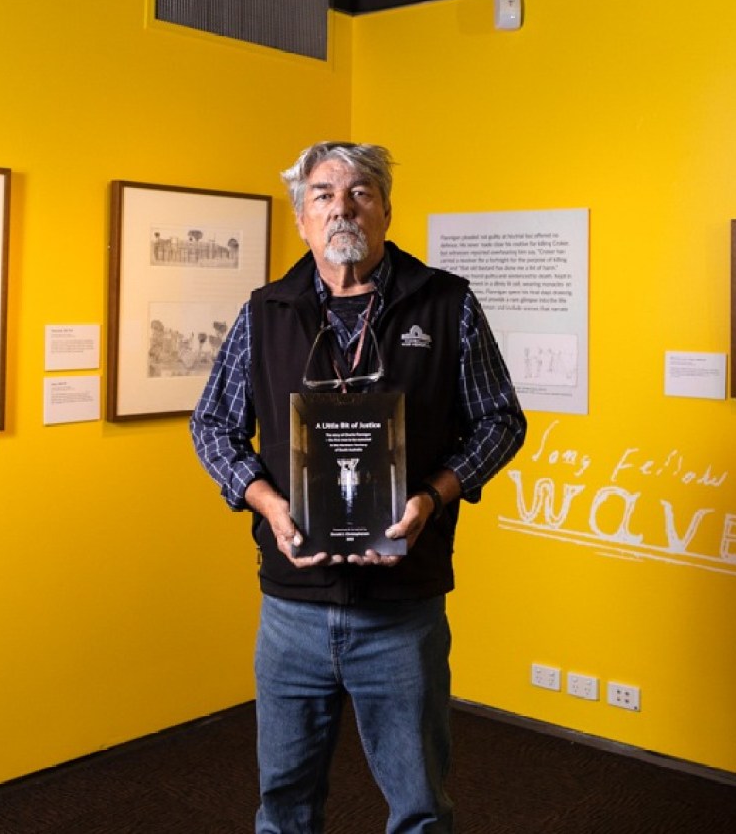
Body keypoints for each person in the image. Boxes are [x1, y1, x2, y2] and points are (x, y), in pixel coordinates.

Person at [190, 141, 527, 834]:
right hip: (292, 609)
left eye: (360, 193)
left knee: (421, 807)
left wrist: (433, 497)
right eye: (323, 194)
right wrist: (267, 502)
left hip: (402, 610)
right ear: (302, 219)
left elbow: (501, 422)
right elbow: (213, 426)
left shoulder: (447, 305)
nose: (342, 207)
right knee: (283, 808)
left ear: (386, 210)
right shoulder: (265, 312)